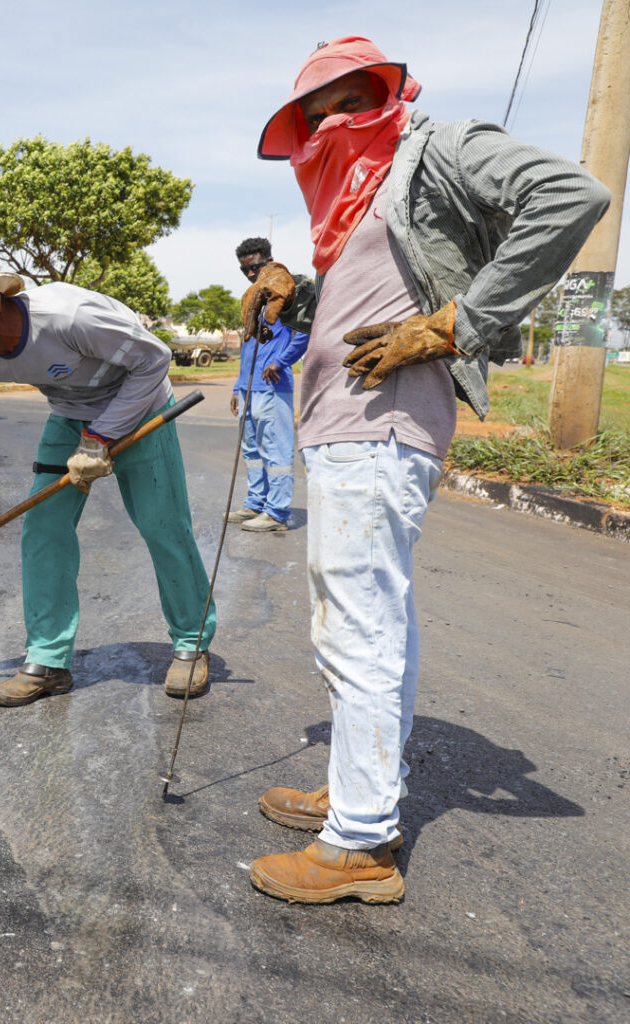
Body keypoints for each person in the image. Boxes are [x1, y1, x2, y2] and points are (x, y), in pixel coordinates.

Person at [243, 37, 609, 904]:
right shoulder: (356, 192)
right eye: (314, 110)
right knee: (377, 621)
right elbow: (369, 286)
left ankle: (360, 843)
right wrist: (296, 284)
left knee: (355, 626)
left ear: (383, 91)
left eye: (346, 98)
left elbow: (573, 195)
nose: (330, 119)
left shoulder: (432, 147)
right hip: (347, 426)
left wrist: (458, 325)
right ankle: (360, 788)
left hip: (384, 426)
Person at [0, 256, 217, 703]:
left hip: (140, 407)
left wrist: (100, 438)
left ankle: (191, 644)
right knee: (43, 531)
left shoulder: (68, 317)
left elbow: (154, 360)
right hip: (71, 417)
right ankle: (48, 660)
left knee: (162, 525)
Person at [229, 237, 309, 532]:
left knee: (276, 451)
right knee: (251, 450)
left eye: (255, 267)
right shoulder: (254, 299)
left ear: (269, 262)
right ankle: (256, 503)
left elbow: (303, 334)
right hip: (249, 389)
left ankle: (277, 513)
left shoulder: (286, 294)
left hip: (274, 387)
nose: (251, 274)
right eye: (244, 270)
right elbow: (248, 348)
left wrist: (281, 361)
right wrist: (238, 388)